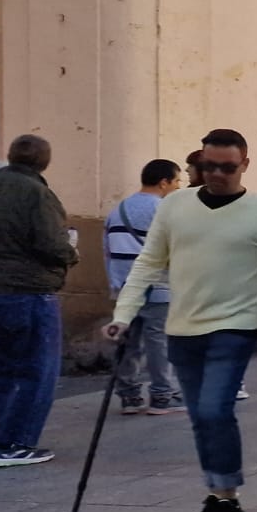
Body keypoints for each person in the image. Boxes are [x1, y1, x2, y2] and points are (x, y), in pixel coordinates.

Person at [108, 129, 257, 512]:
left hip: (234, 326)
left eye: (227, 167)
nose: (216, 174)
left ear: (245, 164)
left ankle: (228, 500)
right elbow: (148, 263)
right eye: (208, 165)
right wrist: (123, 314)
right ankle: (217, 495)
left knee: (214, 411)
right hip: (182, 329)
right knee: (199, 418)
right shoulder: (174, 206)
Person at [0, 136, 79, 467]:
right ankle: (15, 442)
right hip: (27, 291)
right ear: (44, 161)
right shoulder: (37, 193)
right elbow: (50, 243)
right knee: (36, 370)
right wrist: (71, 251)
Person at [105, 159, 184, 416]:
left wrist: (115, 284)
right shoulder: (163, 210)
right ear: (164, 182)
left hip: (124, 287)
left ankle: (129, 396)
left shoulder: (118, 209)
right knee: (158, 341)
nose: (178, 187)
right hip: (157, 286)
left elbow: (107, 250)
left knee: (129, 342)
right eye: (176, 181)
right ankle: (162, 396)